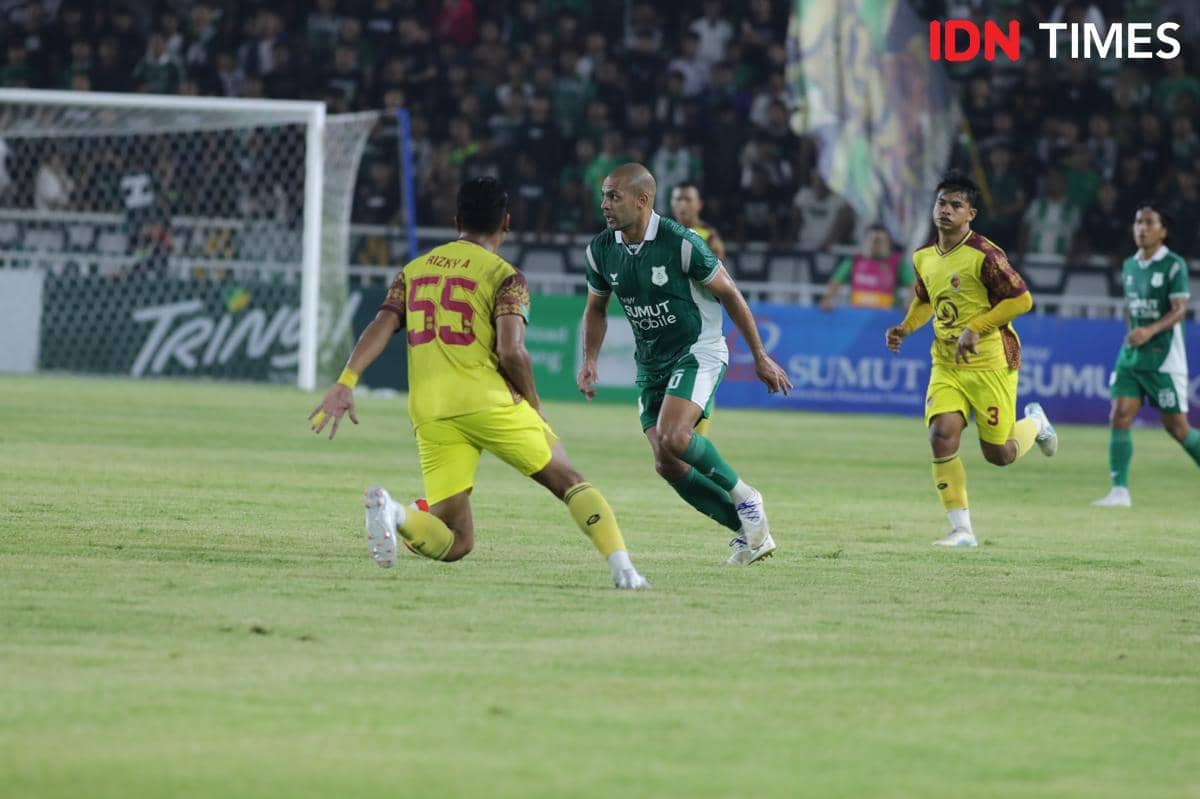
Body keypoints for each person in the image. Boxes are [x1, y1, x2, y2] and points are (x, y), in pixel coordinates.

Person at [309, 177, 650, 589]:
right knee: (569, 481)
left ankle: (395, 512)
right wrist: (533, 403)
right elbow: (512, 351)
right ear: (505, 222)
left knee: (456, 540)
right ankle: (624, 570)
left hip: (430, 408)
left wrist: (346, 380)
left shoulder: (414, 270)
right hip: (488, 400)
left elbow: (381, 324)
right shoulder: (505, 276)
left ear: (456, 221)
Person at [577, 163, 792, 565]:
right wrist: (590, 360)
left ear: (642, 201)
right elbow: (596, 309)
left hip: (700, 349)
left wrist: (760, 356)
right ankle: (751, 534)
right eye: (604, 195)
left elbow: (730, 294)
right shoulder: (600, 250)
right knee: (667, 463)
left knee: (675, 436)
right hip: (651, 363)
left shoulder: (681, 242)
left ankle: (747, 497)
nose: (604, 204)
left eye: (613, 196)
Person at [885, 171, 1059, 548]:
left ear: (971, 214)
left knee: (999, 454)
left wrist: (976, 327)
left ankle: (1035, 423)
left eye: (956, 205)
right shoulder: (923, 256)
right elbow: (926, 298)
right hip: (946, 363)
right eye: (941, 203)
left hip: (990, 364)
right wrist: (905, 327)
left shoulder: (986, 255)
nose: (946, 211)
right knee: (941, 436)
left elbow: (1021, 299)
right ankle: (961, 530)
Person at [1093, 203, 1200, 507]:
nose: (1141, 228)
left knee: (1177, 429)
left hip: (1163, 357)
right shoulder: (1129, 266)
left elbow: (1180, 311)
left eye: (1149, 222)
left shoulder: (1174, 265)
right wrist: (1135, 332)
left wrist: (1149, 331)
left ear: (1163, 231)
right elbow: (1134, 309)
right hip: (1132, 354)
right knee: (1119, 415)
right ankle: (1119, 491)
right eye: (1138, 221)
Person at [670, 180, 726, 437]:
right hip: (667, 325)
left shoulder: (709, 238)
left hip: (697, 326)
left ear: (699, 205)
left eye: (687, 200)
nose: (682, 205)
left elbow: (720, 284)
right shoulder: (661, 234)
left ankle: (695, 441)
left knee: (699, 384)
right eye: (678, 199)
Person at [820, 224, 916, 311]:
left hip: (886, 318)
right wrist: (828, 299)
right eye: (874, 241)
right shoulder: (855, 260)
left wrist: (911, 303)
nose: (877, 245)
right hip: (858, 318)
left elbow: (914, 285)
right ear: (865, 241)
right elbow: (836, 281)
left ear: (888, 243)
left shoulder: (897, 263)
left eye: (880, 241)